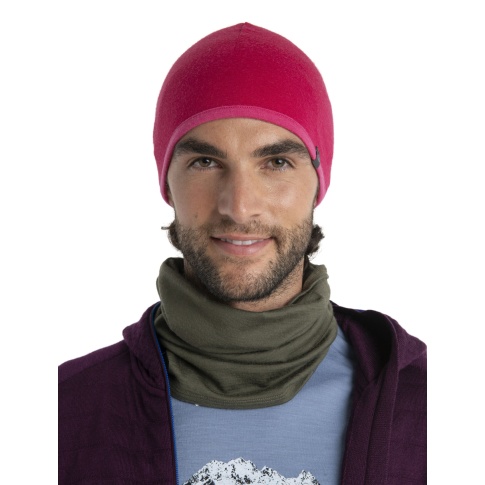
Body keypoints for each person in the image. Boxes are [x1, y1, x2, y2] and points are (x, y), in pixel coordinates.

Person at [58, 23, 426, 485]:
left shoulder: (431, 409)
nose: (239, 206)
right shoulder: (64, 412)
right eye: (205, 162)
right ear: (167, 182)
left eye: (276, 162)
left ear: (318, 182)